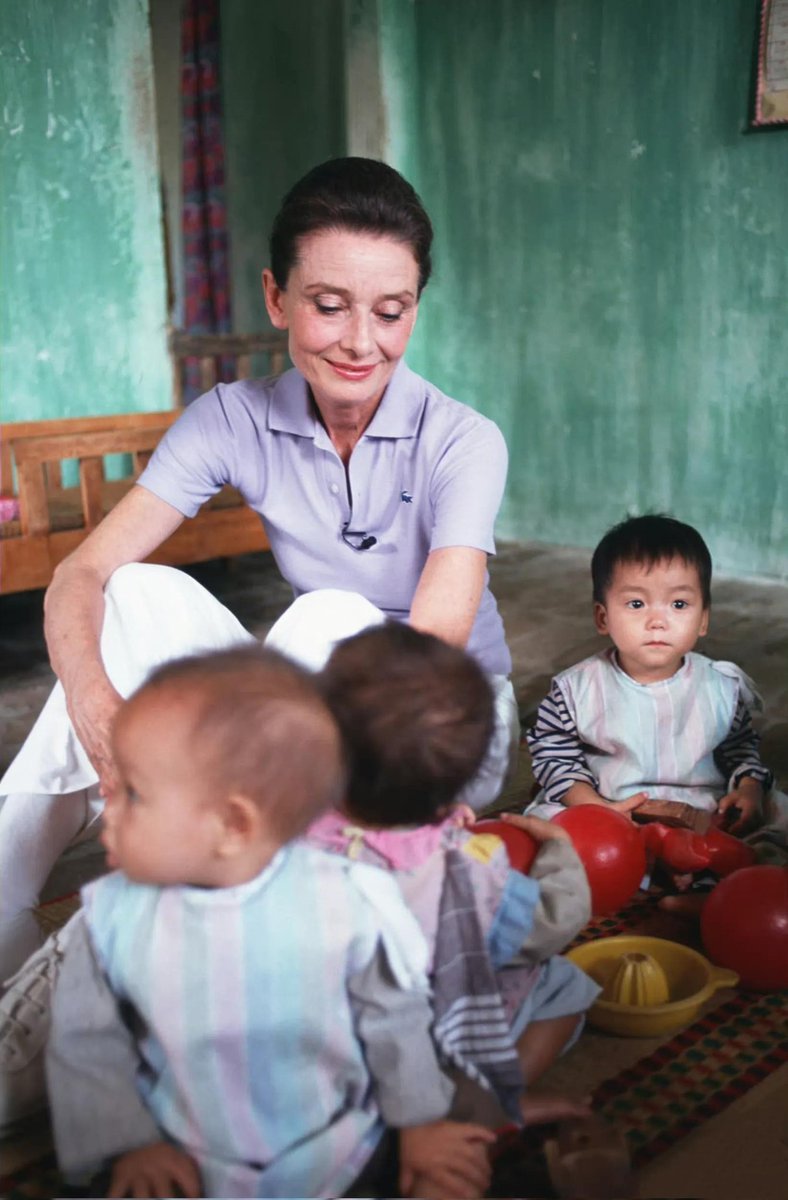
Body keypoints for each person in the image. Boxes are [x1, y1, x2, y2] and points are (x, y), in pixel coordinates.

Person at [0, 156, 518, 981]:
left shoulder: (465, 440)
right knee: (131, 591)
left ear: (415, 308)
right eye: (328, 305)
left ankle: (188, 913)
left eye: (392, 312)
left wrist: (209, 754)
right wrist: (101, 715)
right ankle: (5, 900)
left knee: (329, 617)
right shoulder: (233, 418)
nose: (361, 341)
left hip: (431, 725)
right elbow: (79, 577)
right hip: (303, 696)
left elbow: (430, 644)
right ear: (278, 297)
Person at [44, 646, 495, 1200]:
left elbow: (393, 1019)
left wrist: (420, 1124)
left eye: (134, 792)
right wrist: (131, 1143)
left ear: (233, 824)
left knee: (448, 1173)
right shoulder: (109, 917)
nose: (107, 804)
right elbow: (85, 1045)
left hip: (340, 1143)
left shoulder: (344, 898)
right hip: (182, 1154)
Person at [306, 622, 599, 1126]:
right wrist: (559, 851)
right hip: (421, 1044)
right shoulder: (464, 868)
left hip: (317, 1049)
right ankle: (488, 1102)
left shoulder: (288, 829)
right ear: (455, 791)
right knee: (562, 985)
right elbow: (548, 925)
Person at [524, 515, 785, 838]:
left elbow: (740, 751)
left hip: (703, 810)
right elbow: (555, 758)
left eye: (678, 604)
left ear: (703, 620)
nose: (657, 621)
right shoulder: (575, 690)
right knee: (545, 822)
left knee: (777, 810)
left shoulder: (721, 688)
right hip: (608, 805)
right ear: (602, 617)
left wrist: (749, 789)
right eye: (636, 603)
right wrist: (591, 805)